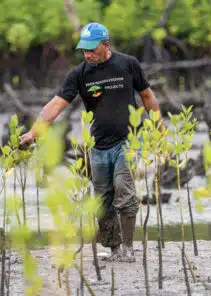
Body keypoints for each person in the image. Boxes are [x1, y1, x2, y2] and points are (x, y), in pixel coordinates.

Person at [20, 22, 164, 263]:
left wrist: (160, 131)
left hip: (128, 140)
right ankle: (114, 248)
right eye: (83, 49)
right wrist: (33, 134)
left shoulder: (128, 64)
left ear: (106, 45)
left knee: (124, 190)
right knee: (102, 200)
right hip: (98, 145)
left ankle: (128, 249)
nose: (87, 54)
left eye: (91, 49)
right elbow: (55, 106)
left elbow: (148, 97)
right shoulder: (80, 74)